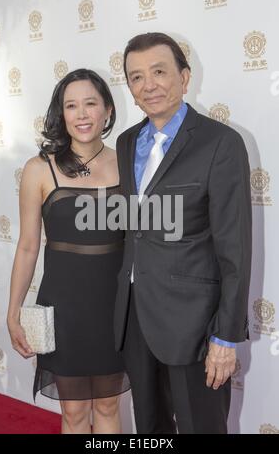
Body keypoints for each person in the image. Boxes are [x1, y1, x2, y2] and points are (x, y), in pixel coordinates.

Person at [114, 32, 252, 434]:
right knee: (150, 428)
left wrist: (226, 338)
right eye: (136, 77)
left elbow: (235, 248)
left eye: (159, 71)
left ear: (185, 77)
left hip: (195, 323)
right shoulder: (126, 143)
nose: (148, 84)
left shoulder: (221, 143)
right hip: (136, 317)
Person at [7, 68, 130, 434]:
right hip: (64, 308)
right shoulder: (38, 170)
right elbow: (28, 246)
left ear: (107, 110)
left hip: (116, 307)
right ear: (61, 115)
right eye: (71, 106)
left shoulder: (129, 163)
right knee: (75, 413)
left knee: (109, 407)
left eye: (90, 103)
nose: (81, 114)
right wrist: (13, 313)